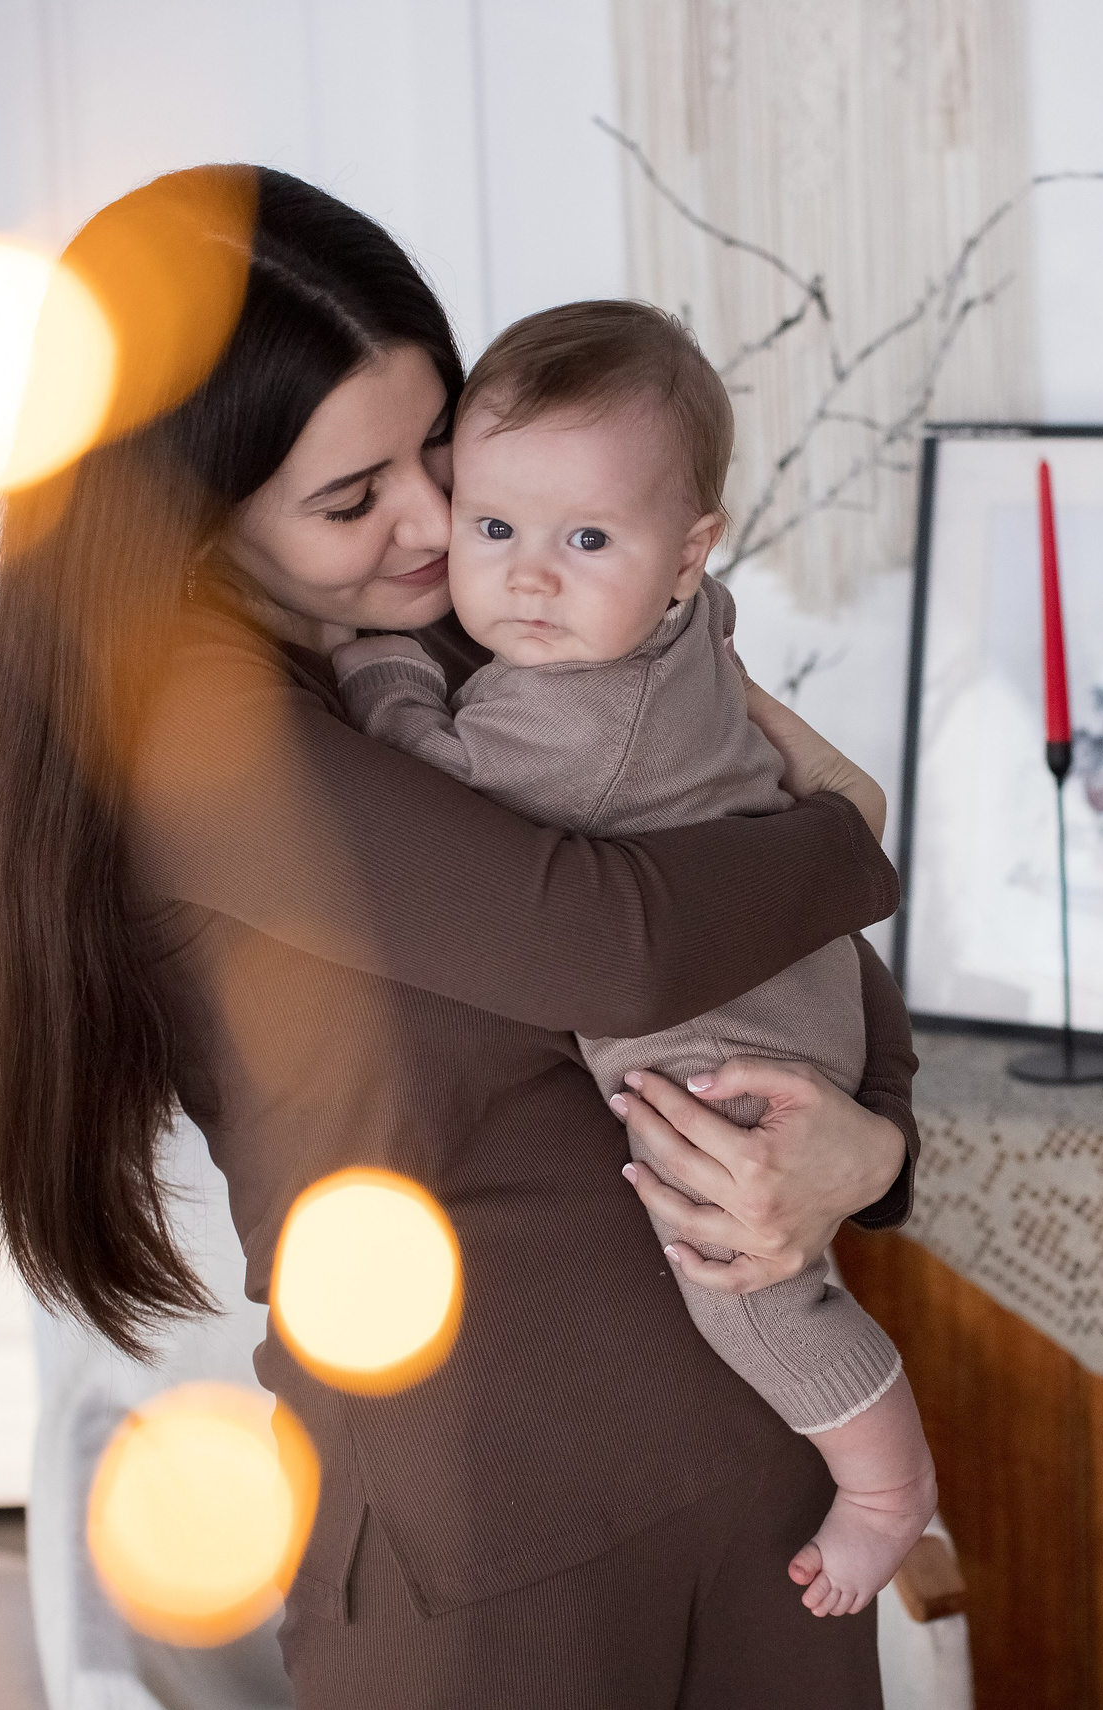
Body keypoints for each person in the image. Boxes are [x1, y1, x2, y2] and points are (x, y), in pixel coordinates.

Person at [0, 164, 920, 1709]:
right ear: (186, 520)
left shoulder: (515, 629)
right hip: (485, 1531)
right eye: (353, 497)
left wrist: (872, 1152)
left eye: (440, 450)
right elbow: (616, 941)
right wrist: (846, 830)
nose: (431, 523)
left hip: (755, 1468)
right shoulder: (192, 740)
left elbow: (797, 975)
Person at [330, 300, 936, 1620]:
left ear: (685, 553)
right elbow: (844, 812)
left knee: (744, 1279)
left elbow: (439, 780)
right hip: (798, 977)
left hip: (729, 1051)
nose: (528, 577)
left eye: (585, 538)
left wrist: (377, 664)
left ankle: (887, 1489)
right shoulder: (685, 629)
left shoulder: (573, 718)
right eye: (495, 527)